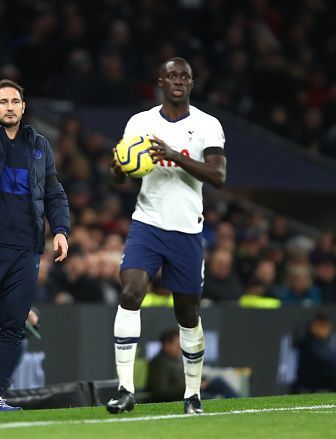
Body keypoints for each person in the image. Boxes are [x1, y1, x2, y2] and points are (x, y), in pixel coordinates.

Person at [106, 57, 227, 415]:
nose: (178, 81)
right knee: (130, 290)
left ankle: (192, 394)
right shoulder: (140, 122)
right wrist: (118, 168)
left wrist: (174, 155)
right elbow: (120, 176)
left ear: (192, 83)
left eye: (184, 76)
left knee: (187, 314)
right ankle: (124, 389)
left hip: (188, 230)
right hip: (147, 223)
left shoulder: (207, 124)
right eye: (171, 75)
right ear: (161, 81)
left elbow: (218, 175)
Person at [0, 49, 70, 412]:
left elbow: (54, 192)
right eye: (2, 101)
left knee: (15, 324)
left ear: (23, 107)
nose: (9, 106)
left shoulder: (38, 147)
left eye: (15, 101)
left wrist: (62, 230)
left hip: (26, 248)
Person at [147, 329, 238, 403]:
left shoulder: (176, 359)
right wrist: (193, 386)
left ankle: (239, 401)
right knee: (207, 398)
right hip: (180, 396)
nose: (180, 349)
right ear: (166, 345)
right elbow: (161, 391)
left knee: (217, 381)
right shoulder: (159, 364)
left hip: (190, 390)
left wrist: (201, 380)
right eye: (177, 346)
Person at [292, 312, 336, 393]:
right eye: (323, 326)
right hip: (308, 387)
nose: (326, 330)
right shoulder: (308, 343)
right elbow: (326, 359)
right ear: (315, 326)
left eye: (328, 327)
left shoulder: (327, 342)